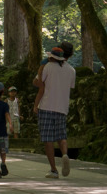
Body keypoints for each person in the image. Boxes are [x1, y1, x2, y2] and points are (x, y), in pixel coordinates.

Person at [34, 46, 76, 179]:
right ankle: (64, 154)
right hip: (62, 107)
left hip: (46, 106)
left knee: (48, 139)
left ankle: (53, 169)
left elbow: (38, 83)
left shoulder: (47, 67)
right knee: (61, 136)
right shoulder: (71, 70)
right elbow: (70, 86)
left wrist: (40, 70)